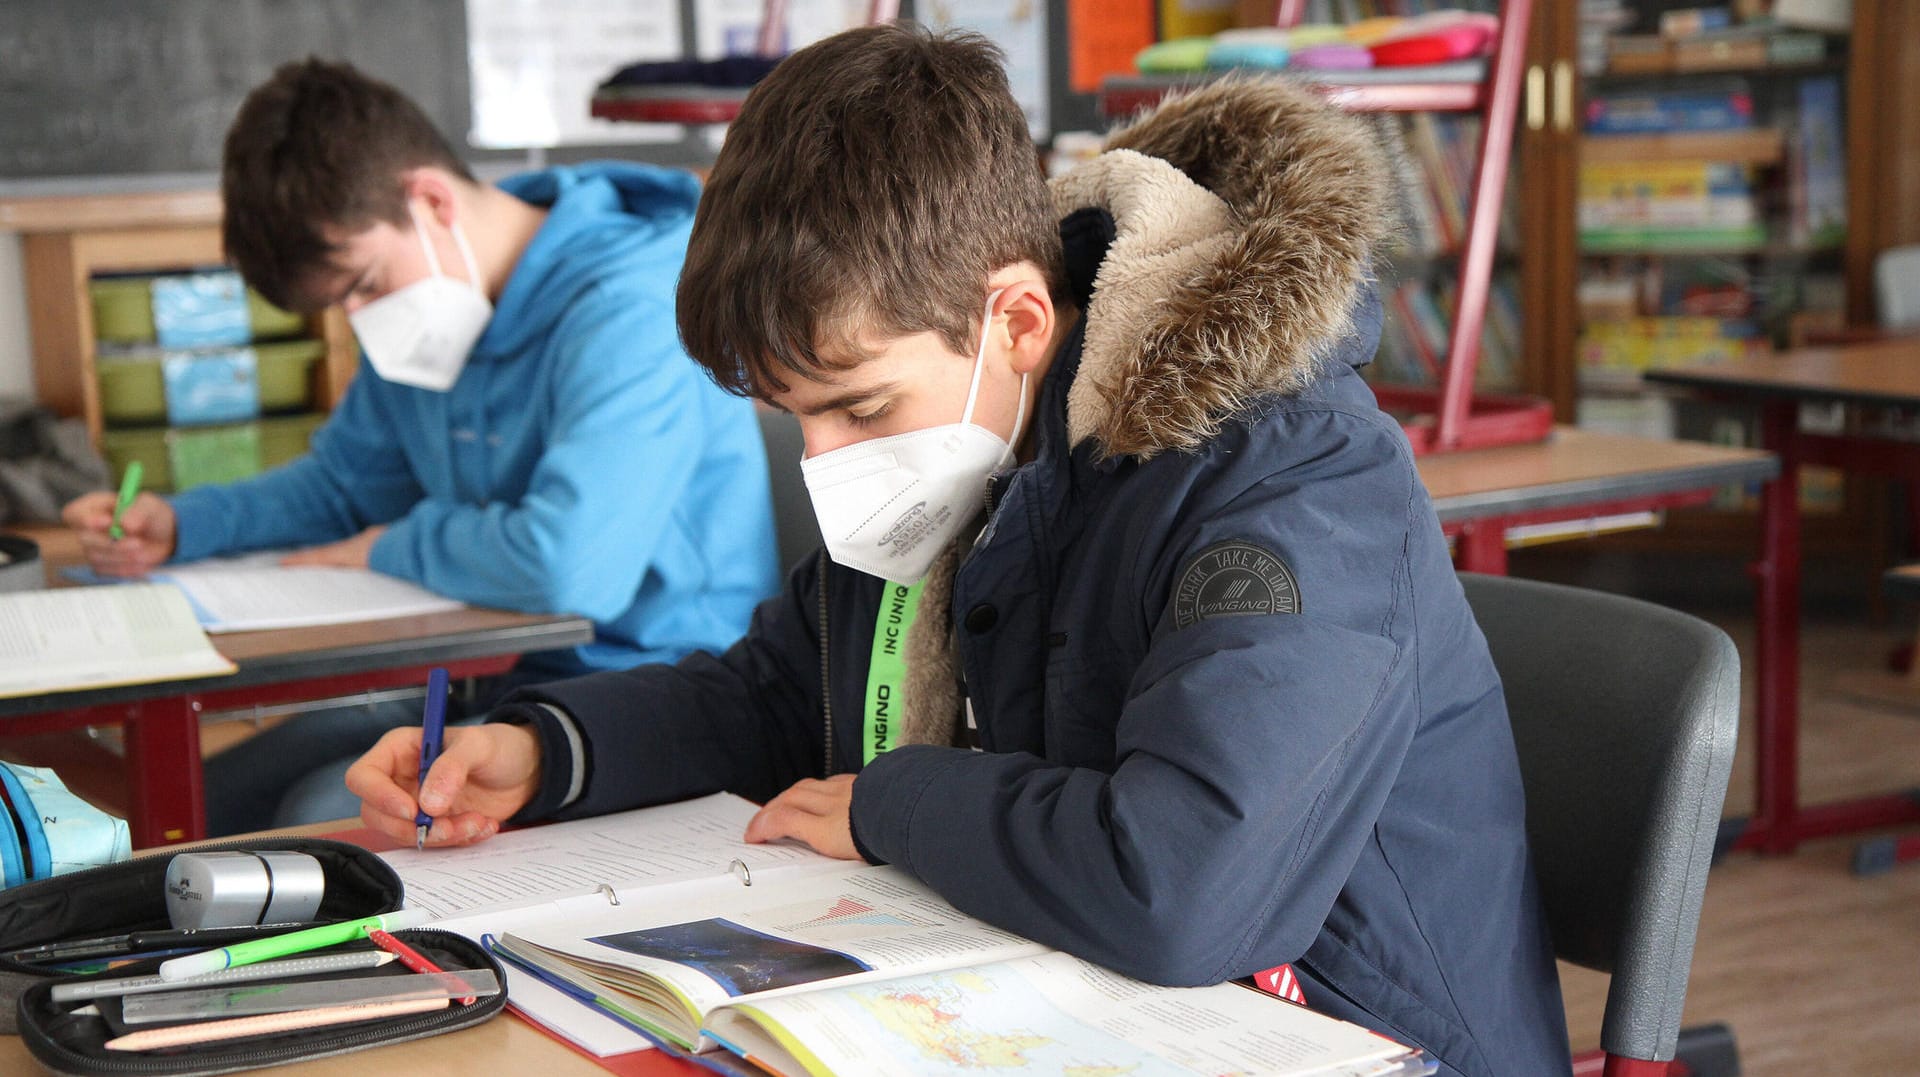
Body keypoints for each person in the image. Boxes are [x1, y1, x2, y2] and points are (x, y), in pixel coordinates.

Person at [346, 26, 1573, 1076]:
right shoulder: (981, 437)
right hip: (1080, 1001)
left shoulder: (1289, 474)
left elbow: (1185, 887)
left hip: (1347, 1039)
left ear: (1019, 319)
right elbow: (782, 686)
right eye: (797, 420)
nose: (826, 460)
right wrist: (549, 749)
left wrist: (895, 804)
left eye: (861, 408)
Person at [61, 59, 779, 834]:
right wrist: (184, 523)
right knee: (218, 796)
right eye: (342, 303)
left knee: (323, 817)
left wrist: (387, 548)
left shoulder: (631, 304)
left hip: (651, 692)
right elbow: (344, 486)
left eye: (365, 284)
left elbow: (568, 566)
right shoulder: (436, 310)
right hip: (495, 678)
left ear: (431, 200)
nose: (362, 318)